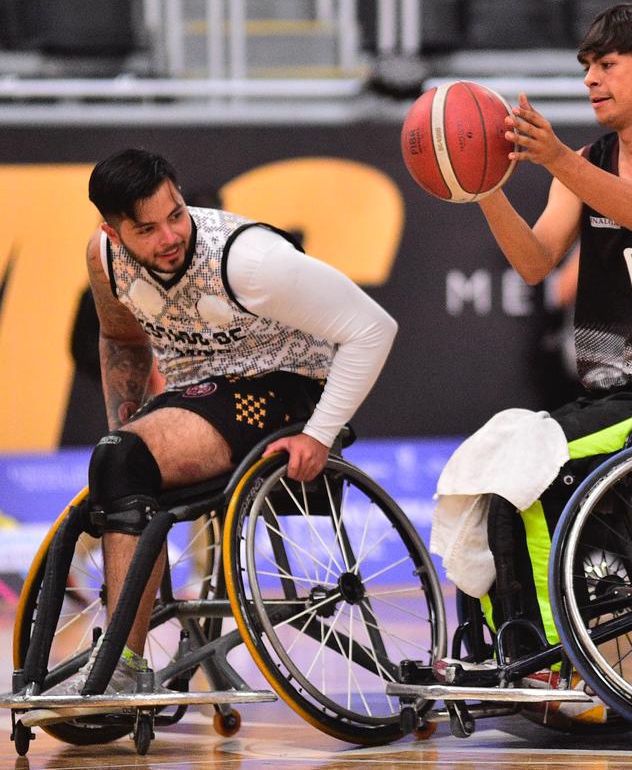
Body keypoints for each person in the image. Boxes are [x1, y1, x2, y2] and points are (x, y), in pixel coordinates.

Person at [429, 0, 632, 657]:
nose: (590, 80)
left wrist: (555, 157)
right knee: (492, 463)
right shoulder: (588, 161)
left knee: (523, 469)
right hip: (621, 392)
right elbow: (533, 262)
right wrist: (483, 187)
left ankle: (548, 657)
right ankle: (499, 640)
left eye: (606, 65)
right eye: (586, 67)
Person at [24, 148, 397, 723]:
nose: (169, 235)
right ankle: (125, 656)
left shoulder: (248, 260)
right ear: (111, 229)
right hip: (200, 394)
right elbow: (122, 339)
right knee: (120, 462)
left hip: (288, 388)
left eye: (174, 214)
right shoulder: (105, 258)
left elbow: (374, 328)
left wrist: (320, 434)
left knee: (124, 460)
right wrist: (130, 438)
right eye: (145, 229)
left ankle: (123, 662)